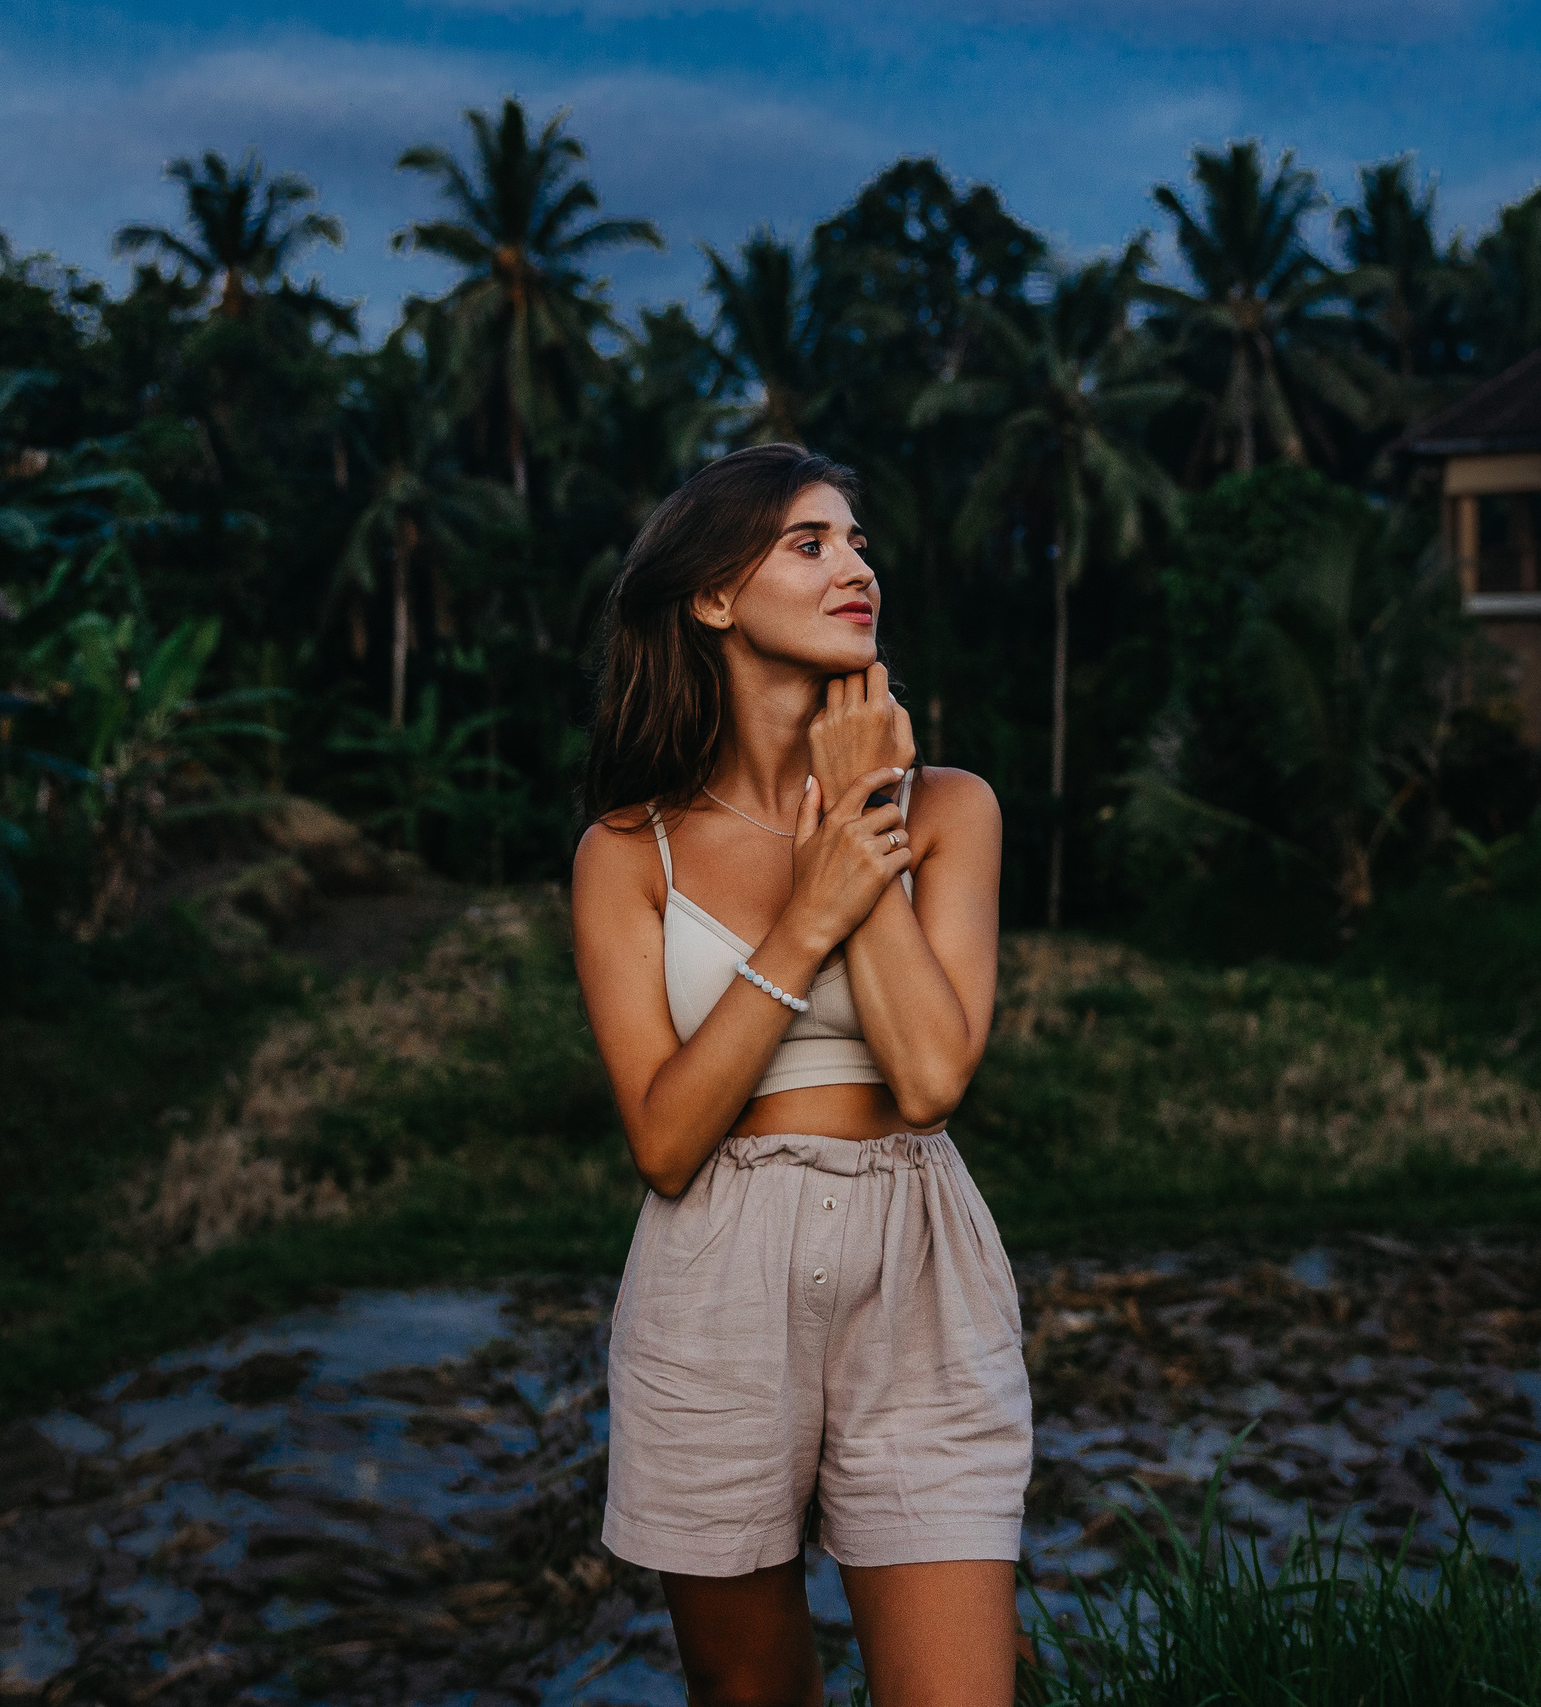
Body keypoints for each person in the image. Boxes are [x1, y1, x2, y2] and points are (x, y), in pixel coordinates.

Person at [571, 443, 1029, 1706]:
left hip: (920, 1259)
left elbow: (931, 1077)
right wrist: (806, 915)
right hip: (714, 1271)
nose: (856, 566)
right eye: (810, 543)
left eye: (860, 541)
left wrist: (855, 809)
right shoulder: (627, 853)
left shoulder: (945, 809)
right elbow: (665, 1144)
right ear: (713, 598)